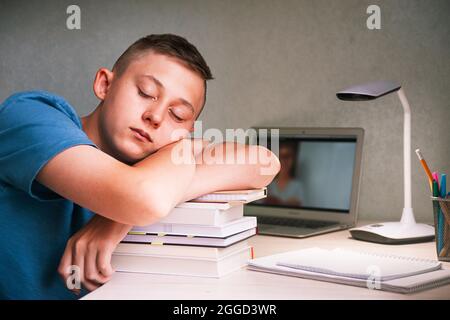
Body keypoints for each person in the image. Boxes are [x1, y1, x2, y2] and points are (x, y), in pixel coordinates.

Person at [0, 34, 280, 299]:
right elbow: (144, 198)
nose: (156, 116)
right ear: (104, 84)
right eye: (146, 93)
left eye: (177, 114)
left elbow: (266, 163)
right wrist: (184, 155)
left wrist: (118, 218)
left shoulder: (159, 167)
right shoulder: (28, 115)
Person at [264, 141, 303, 207]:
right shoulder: (267, 184)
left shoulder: (298, 186)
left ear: (293, 160)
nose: (284, 161)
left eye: (287, 156)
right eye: (281, 156)